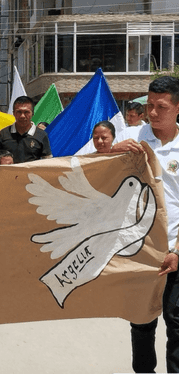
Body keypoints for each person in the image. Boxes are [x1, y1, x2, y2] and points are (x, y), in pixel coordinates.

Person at [111, 76, 179, 373]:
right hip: (140, 247)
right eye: (149, 105)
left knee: (177, 321)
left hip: (175, 247)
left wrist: (177, 250)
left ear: (177, 107)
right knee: (141, 321)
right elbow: (86, 168)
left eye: (160, 106)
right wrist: (110, 152)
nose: (152, 112)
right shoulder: (131, 138)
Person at [0, 96, 52, 163]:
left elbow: (47, 162)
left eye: (26, 112)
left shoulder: (41, 135)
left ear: (32, 113)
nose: (22, 116)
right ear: (14, 113)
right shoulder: (3, 134)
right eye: (19, 112)